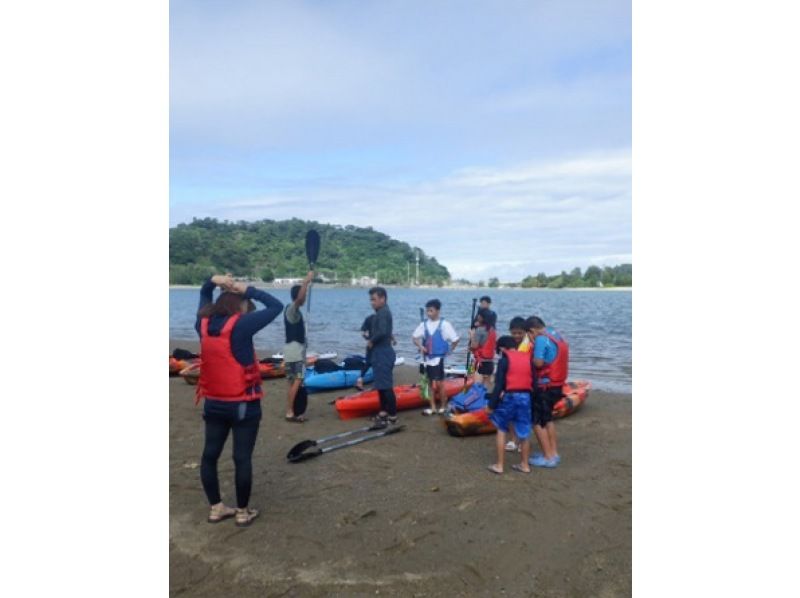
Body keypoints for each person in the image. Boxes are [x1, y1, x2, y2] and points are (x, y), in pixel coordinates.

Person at [195, 274, 283, 527]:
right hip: (244, 404)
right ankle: (242, 512)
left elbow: (203, 293)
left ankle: (216, 508)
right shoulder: (242, 324)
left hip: (214, 402)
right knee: (241, 458)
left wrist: (212, 280)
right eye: (246, 304)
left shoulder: (201, 323)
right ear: (239, 304)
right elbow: (277, 306)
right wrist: (249, 289)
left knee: (210, 455)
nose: (248, 309)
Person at [525, 316, 570, 469]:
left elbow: (538, 362)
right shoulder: (556, 334)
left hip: (545, 387)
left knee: (537, 421)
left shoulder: (540, 339)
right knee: (548, 419)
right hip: (557, 385)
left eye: (529, 336)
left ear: (532, 331)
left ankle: (548, 457)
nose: (530, 339)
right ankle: (553, 452)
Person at [485, 335, 534, 474]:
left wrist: (491, 405)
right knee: (524, 432)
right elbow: (533, 382)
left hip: (511, 397)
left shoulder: (504, 360)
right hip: (526, 397)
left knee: (501, 429)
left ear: (502, 348)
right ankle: (525, 465)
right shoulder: (528, 358)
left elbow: (499, 384)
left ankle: (499, 465)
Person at [412, 299, 460, 415]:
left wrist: (450, 350)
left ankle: (443, 406)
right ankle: (432, 407)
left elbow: (455, 339)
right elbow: (414, 337)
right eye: (427, 311)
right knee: (429, 383)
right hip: (427, 359)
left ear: (438, 311)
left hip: (438, 359)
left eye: (431, 311)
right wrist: (421, 347)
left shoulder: (444, 325)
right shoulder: (424, 324)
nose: (429, 313)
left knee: (439, 384)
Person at [282, 271, 314, 422]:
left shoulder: (296, 313)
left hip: (293, 349)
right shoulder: (291, 310)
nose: (305, 298)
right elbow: (300, 298)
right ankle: (289, 412)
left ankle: (293, 410)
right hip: (294, 349)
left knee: (293, 382)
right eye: (303, 295)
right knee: (297, 380)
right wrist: (306, 282)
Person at [368, 287, 398, 426]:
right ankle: (383, 412)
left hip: (383, 353)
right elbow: (386, 331)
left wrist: (371, 340)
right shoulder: (381, 312)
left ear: (382, 299)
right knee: (380, 385)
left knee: (386, 386)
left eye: (374, 299)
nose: (371, 302)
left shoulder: (383, 312)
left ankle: (392, 416)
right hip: (380, 352)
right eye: (371, 299)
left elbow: (382, 331)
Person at [502, 316, 529, 452]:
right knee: (510, 415)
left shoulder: (528, 346)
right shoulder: (508, 344)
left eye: (520, 333)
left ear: (525, 332)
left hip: (524, 385)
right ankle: (513, 439)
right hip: (510, 384)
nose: (517, 335)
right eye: (514, 333)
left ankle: (520, 441)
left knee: (522, 415)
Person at [468, 307, 497, 385]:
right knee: (486, 387)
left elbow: (474, 346)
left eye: (479, 315)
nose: (477, 317)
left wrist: (471, 335)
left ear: (482, 318)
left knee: (473, 384)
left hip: (477, 362)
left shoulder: (479, 330)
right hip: (490, 363)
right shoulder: (493, 330)